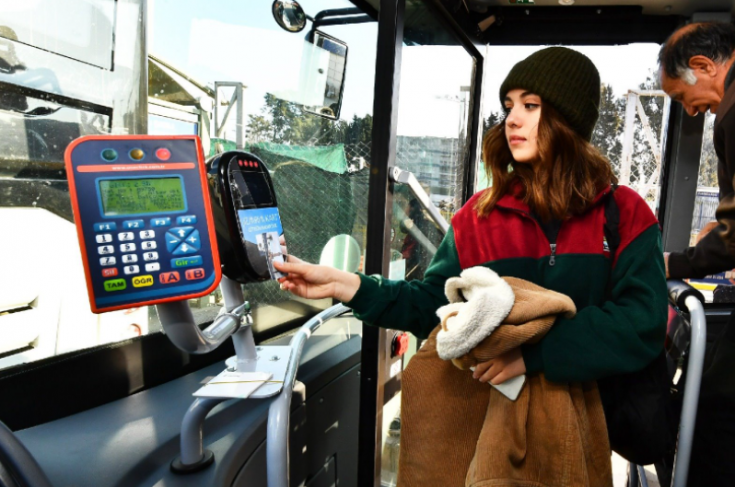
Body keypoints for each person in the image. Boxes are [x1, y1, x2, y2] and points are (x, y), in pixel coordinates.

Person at [275, 47, 667, 481]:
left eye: (530, 106)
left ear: (567, 119)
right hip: (485, 435)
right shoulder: (477, 216)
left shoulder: (625, 214)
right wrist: (346, 285)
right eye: (509, 106)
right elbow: (432, 307)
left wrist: (533, 354)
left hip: (583, 431)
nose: (512, 119)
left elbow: (641, 321)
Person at [658, 21, 735, 487]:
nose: (690, 112)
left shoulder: (732, 113)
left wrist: (676, 262)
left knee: (714, 405)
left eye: (682, 97)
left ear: (705, 66)